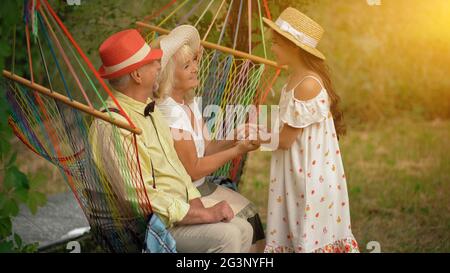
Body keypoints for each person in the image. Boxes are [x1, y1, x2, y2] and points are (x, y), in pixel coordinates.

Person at [89, 29, 253, 253]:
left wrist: (195, 203)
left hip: (178, 211)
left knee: (244, 228)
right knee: (229, 235)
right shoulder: (113, 125)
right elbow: (139, 196)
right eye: (152, 62)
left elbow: (177, 169)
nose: (159, 66)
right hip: (151, 226)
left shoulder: (151, 111)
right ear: (137, 75)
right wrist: (201, 213)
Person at [152, 25, 265, 252]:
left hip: (201, 186)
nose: (195, 68)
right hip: (186, 195)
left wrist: (235, 138)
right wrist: (237, 151)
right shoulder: (168, 111)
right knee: (246, 226)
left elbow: (208, 148)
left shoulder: (189, 102)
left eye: (194, 62)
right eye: (187, 66)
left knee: (254, 220)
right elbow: (194, 169)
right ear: (168, 77)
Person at [261, 7, 359, 252]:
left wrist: (252, 137)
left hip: (309, 177)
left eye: (276, 43)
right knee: (295, 231)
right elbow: (287, 128)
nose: (271, 48)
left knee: (308, 234)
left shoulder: (307, 84)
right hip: (296, 171)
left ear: (294, 47)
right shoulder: (295, 79)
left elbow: (284, 140)